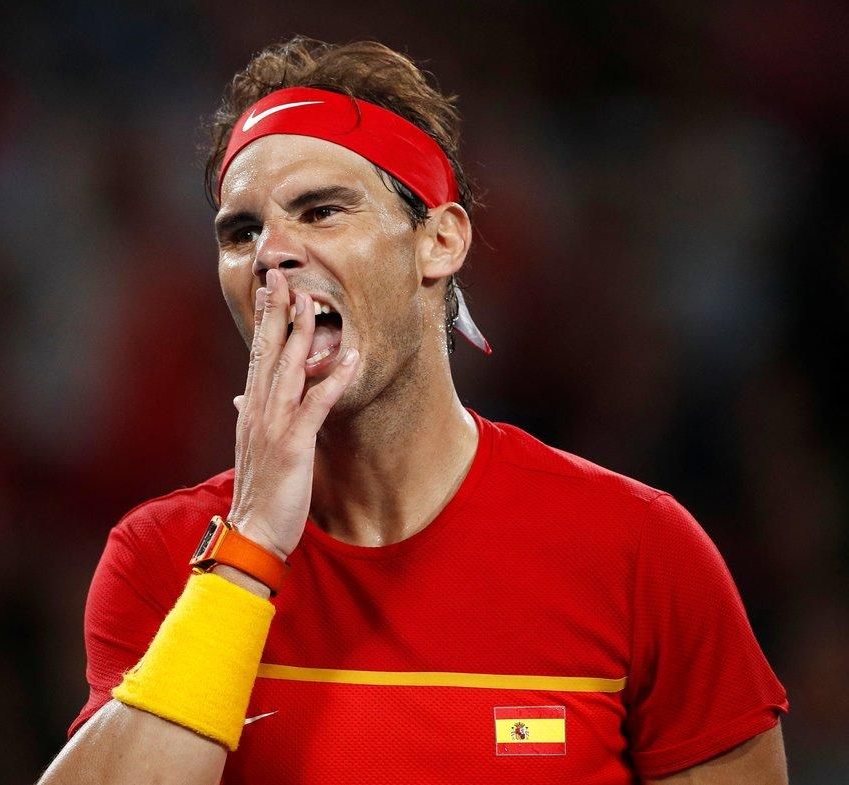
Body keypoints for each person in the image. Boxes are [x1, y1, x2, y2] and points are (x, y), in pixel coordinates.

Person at [39, 37, 789, 784]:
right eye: (242, 232)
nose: (272, 252)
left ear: (439, 240)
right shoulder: (164, 558)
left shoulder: (639, 552)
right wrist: (252, 544)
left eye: (321, 210)